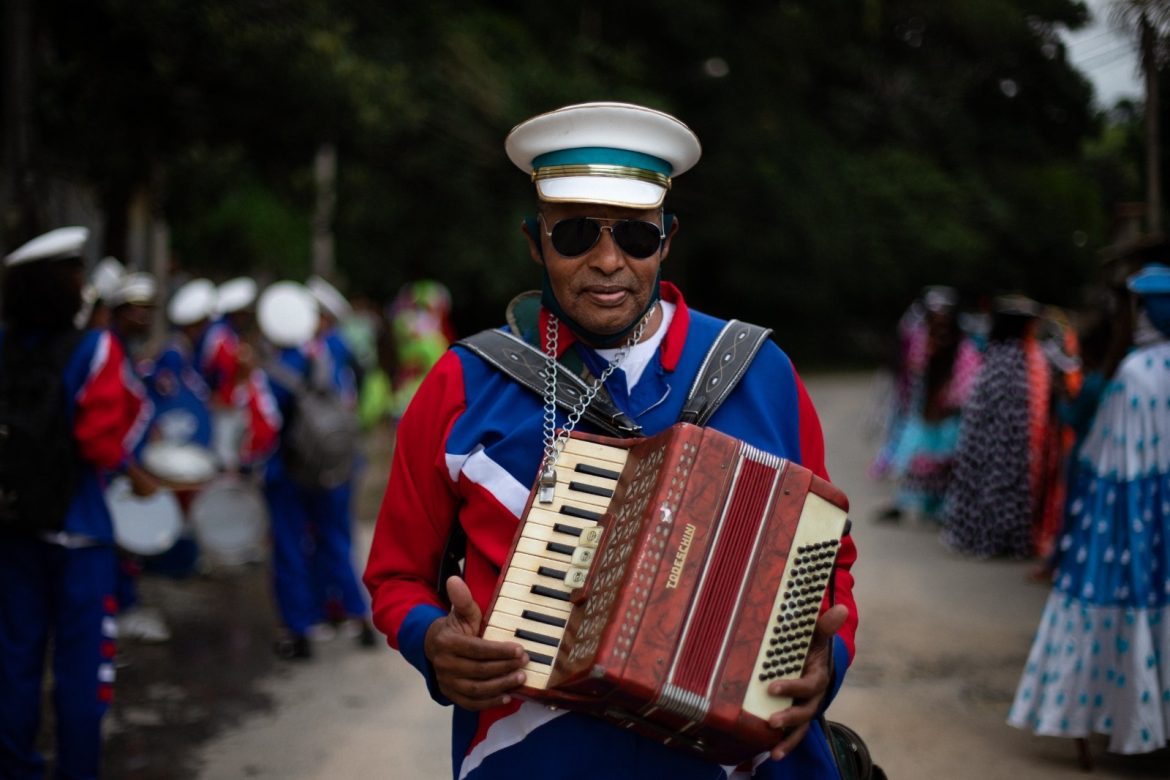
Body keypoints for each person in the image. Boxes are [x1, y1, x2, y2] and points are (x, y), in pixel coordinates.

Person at [363, 102, 859, 779]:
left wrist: (826, 661)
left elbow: (831, 562)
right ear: (535, 242)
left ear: (668, 239)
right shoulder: (463, 384)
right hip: (532, 757)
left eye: (634, 236)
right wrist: (430, 641)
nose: (606, 261)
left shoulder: (759, 371)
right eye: (573, 236)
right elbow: (395, 575)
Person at [0, 227, 157, 779]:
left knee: (15, 663)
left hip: (16, 528)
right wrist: (133, 472)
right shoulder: (96, 349)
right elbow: (99, 443)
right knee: (82, 675)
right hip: (82, 535)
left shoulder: (4, 344)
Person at [1008, 260, 1170, 760]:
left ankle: (1099, 726)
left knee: (1107, 608)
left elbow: (1108, 463)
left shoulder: (1137, 373)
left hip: (1124, 518)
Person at [243, 281, 373, 659]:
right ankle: (359, 617)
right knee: (336, 539)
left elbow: (262, 430)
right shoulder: (329, 357)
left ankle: (299, 631)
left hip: (287, 473)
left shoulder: (269, 372)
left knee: (289, 547)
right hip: (333, 466)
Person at [941, 294, 1052, 558]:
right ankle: (997, 541)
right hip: (1004, 444)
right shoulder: (1013, 359)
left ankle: (993, 539)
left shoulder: (998, 355)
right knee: (1001, 492)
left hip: (991, 443)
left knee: (994, 491)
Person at [874, 286, 982, 523]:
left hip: (947, 417)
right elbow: (914, 372)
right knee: (914, 461)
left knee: (943, 465)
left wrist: (945, 406)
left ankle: (941, 510)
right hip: (924, 412)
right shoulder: (923, 341)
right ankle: (905, 504)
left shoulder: (964, 351)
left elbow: (965, 389)